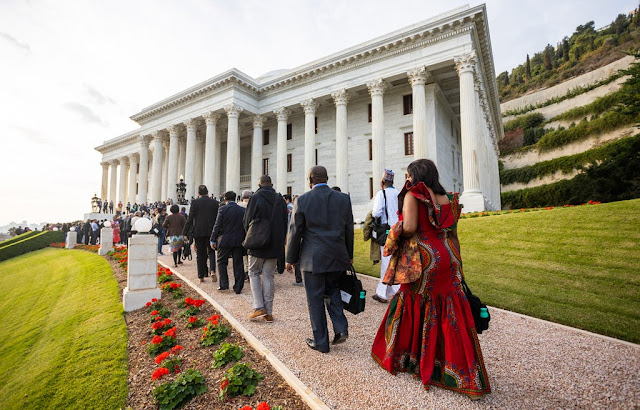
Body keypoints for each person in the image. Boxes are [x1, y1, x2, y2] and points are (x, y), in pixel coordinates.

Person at [371, 159, 491, 400]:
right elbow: (453, 233)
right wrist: (458, 263)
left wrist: (395, 229)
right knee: (450, 309)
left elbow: (411, 226)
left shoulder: (414, 195)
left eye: (408, 175)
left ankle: (410, 357)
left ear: (415, 176)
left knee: (411, 301)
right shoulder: (448, 198)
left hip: (424, 259)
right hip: (448, 256)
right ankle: (466, 373)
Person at [286, 166, 353, 353]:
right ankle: (340, 328)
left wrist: (290, 259)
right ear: (327, 178)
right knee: (333, 292)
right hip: (338, 256)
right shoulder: (343, 199)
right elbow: (348, 230)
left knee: (315, 300)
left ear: (310, 180)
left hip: (312, 258)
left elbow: (294, 232)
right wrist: (349, 255)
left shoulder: (303, 200)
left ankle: (321, 342)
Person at [243, 175, 287, 323]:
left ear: (259, 184)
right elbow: (284, 223)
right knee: (269, 275)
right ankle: (268, 312)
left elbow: (247, 220)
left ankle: (258, 307)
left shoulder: (255, 197)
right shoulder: (279, 199)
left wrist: (250, 234)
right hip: (275, 243)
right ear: (271, 184)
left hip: (258, 241)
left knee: (253, 272)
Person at [371, 169, 400, 303]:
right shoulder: (399, 193)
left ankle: (385, 293)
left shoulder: (381, 194)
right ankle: (391, 291)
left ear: (382, 181)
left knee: (387, 262)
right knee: (396, 261)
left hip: (387, 231)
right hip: (399, 230)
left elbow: (376, 213)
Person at [210, 191, 246, 294]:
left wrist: (213, 239)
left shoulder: (222, 209)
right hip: (239, 239)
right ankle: (238, 286)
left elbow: (217, 225)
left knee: (221, 261)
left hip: (225, 239)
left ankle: (224, 284)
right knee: (238, 263)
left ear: (225, 199)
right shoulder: (242, 210)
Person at [183, 185, 219, 283]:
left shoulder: (195, 203)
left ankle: (201, 275)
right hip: (211, 231)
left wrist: (185, 232)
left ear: (198, 193)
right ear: (208, 192)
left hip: (198, 231)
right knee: (211, 251)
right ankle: (212, 270)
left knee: (200, 253)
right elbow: (217, 219)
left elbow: (190, 219)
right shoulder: (215, 203)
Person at [283, 194, 302, 286]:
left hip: (295, 234)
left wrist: (289, 259)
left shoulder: (293, 209)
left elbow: (293, 227)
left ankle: (299, 279)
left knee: (297, 258)